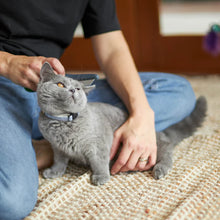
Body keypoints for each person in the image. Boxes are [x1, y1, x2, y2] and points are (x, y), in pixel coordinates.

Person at [0, 1, 196, 219]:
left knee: (178, 92)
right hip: (4, 83)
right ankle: (45, 144)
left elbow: (111, 47)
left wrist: (141, 115)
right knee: (10, 201)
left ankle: (54, 146)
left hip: (59, 94)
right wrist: (7, 63)